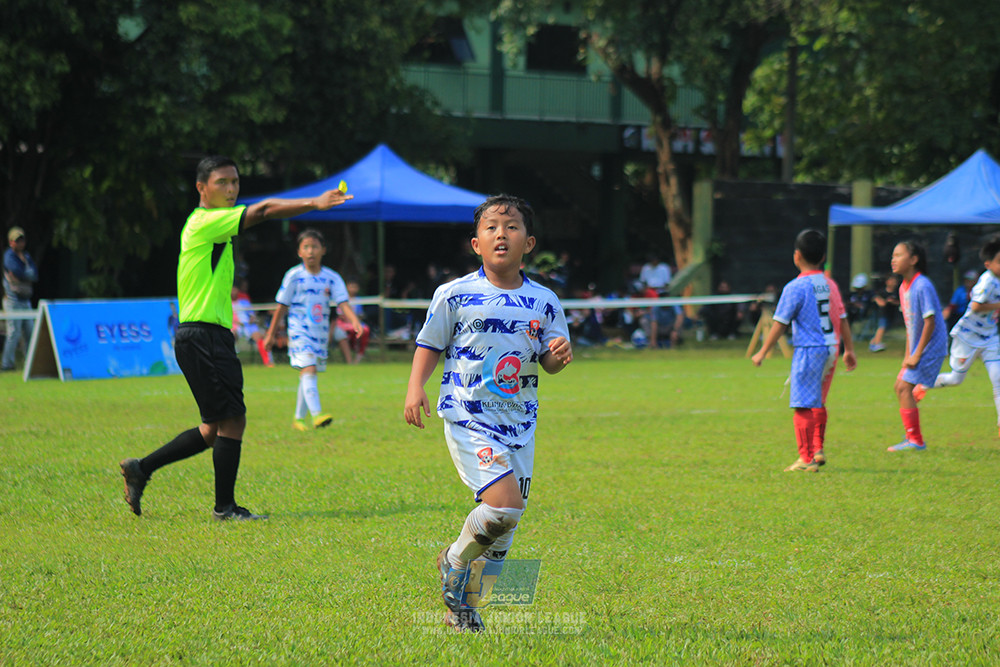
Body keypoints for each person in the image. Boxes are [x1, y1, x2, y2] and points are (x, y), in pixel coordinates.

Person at [118, 156, 352, 520]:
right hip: (202, 336)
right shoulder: (206, 221)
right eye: (222, 182)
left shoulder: (215, 227)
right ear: (201, 188)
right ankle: (224, 509)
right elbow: (264, 210)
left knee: (214, 427)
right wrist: (313, 203)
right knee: (233, 421)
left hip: (206, 336)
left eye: (235, 182)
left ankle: (141, 468)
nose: (231, 189)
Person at [403, 194, 572, 633]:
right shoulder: (455, 294)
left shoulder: (546, 301)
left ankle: (463, 611)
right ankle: (452, 559)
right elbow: (429, 344)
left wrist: (557, 354)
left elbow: (549, 363)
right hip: (468, 415)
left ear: (529, 242)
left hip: (520, 423)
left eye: (512, 226)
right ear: (476, 243)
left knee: (505, 531)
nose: (502, 233)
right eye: (492, 227)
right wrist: (414, 387)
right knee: (503, 507)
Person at [752, 229, 857, 472]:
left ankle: (805, 458)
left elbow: (780, 322)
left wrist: (762, 351)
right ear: (822, 258)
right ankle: (817, 449)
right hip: (831, 348)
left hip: (809, 349)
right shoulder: (830, 284)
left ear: (796, 255)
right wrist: (848, 349)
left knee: (801, 404)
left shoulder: (795, 287)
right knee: (818, 401)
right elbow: (842, 318)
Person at [263, 229, 363, 430]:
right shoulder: (293, 276)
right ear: (299, 251)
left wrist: (354, 321)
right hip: (299, 332)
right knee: (309, 368)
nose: (310, 251)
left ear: (323, 250)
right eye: (306, 247)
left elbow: (342, 302)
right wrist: (270, 334)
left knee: (309, 371)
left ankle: (298, 420)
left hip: (320, 333)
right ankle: (317, 415)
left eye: (314, 247)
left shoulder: (331, 278)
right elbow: (282, 306)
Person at [913, 237, 1000, 436]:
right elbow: (977, 305)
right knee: (955, 379)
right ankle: (923, 384)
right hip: (968, 337)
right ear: (988, 264)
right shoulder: (987, 281)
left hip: (990, 338)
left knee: (998, 380)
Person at [886, 240, 946, 452]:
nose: (893, 260)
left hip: (932, 346)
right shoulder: (903, 287)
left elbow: (929, 322)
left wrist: (917, 354)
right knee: (900, 387)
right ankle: (912, 436)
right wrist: (907, 355)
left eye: (899, 255)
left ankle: (915, 440)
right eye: (893, 255)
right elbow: (911, 325)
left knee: (903, 387)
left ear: (913, 260)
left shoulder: (922, 285)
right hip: (918, 348)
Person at [2, 226, 38, 371]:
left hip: (25, 300)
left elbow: (34, 274)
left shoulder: (27, 256)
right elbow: (18, 271)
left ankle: (31, 364)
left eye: (22, 240)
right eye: (17, 241)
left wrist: (25, 274)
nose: (20, 243)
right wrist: (26, 274)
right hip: (12, 300)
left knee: (30, 331)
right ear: (11, 242)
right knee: (13, 333)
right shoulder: (9, 256)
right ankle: (6, 364)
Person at [231, 279, 274, 366]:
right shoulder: (226, 303)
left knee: (259, 336)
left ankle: (268, 361)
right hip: (235, 326)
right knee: (231, 335)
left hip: (248, 325)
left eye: (235, 289)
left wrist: (251, 319)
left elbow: (252, 314)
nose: (233, 292)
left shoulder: (244, 302)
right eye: (232, 290)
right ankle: (232, 361)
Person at [869, 274, 900, 352]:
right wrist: (885, 301)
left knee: (885, 328)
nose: (893, 282)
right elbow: (878, 300)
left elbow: (900, 303)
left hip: (891, 314)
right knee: (881, 327)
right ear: (887, 282)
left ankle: (872, 343)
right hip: (883, 314)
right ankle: (877, 343)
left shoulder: (897, 292)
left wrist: (893, 302)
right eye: (891, 280)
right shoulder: (882, 292)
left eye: (894, 281)